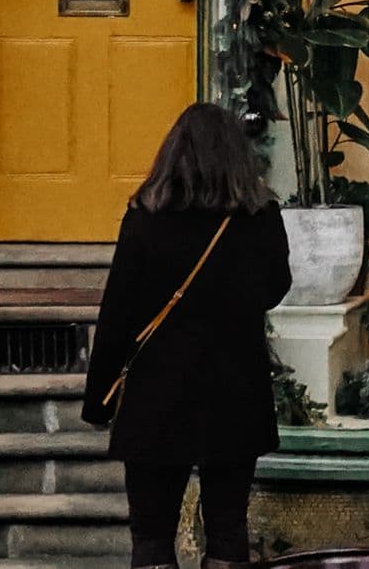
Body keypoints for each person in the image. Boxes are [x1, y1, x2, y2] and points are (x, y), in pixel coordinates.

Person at [83, 102, 292, 569]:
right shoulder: (260, 217)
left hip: (156, 396)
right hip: (235, 393)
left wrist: (98, 400)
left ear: (172, 154)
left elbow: (117, 314)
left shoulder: (144, 218)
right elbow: (276, 290)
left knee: (152, 533)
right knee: (228, 527)